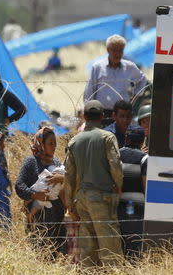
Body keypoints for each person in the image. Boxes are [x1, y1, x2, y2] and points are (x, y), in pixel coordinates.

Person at [64, 100, 123, 267]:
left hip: (82, 200)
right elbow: (116, 166)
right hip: (102, 197)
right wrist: (118, 186)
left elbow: (68, 175)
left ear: (84, 116)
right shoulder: (107, 137)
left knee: (87, 249)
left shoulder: (74, 141)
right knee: (110, 247)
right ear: (102, 117)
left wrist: (69, 204)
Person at [15, 127, 66, 255]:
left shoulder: (56, 162)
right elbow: (19, 185)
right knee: (40, 251)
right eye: (50, 143)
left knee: (56, 251)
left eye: (55, 143)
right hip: (38, 217)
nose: (54, 146)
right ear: (41, 144)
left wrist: (63, 179)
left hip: (57, 215)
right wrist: (35, 194)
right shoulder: (31, 162)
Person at [83, 34, 148, 118]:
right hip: (102, 113)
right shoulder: (97, 67)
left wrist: (135, 95)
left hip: (122, 113)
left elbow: (142, 79)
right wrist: (90, 111)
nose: (117, 54)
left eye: (120, 51)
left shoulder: (129, 67)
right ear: (108, 50)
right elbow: (89, 91)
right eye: (114, 50)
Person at [117, 127, 147, 257]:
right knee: (134, 243)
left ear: (126, 138)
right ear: (142, 142)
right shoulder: (144, 158)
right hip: (136, 207)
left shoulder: (116, 154)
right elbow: (145, 184)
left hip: (117, 205)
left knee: (119, 241)